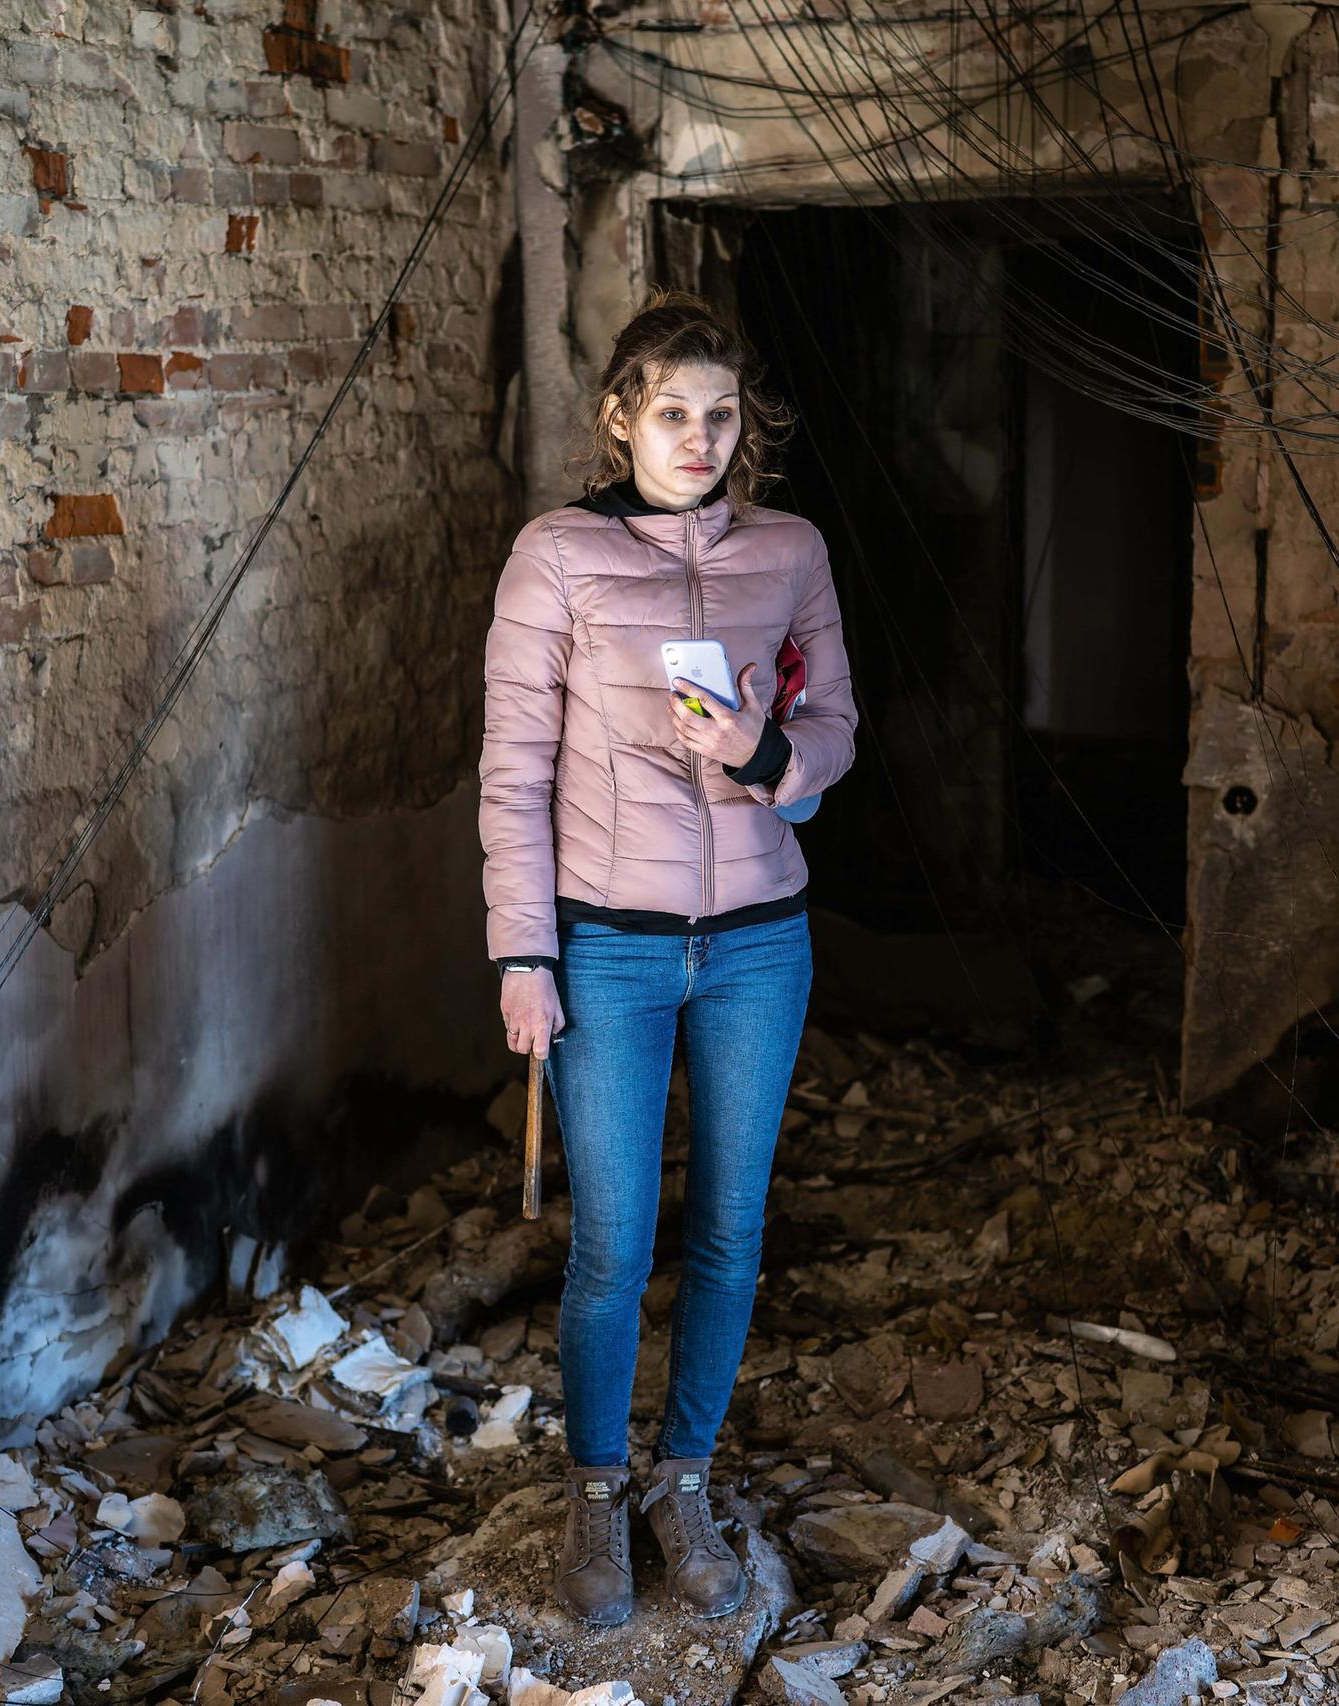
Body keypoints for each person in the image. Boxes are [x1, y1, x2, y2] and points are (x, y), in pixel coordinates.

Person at [477, 292, 858, 1626]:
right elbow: (514, 769)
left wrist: (765, 755)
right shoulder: (558, 558)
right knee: (611, 1241)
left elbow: (838, 731)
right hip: (608, 949)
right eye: (673, 412)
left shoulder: (790, 550)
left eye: (722, 415)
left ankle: (680, 1482)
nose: (699, 438)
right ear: (622, 417)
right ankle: (596, 1498)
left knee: (733, 1231)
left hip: (761, 941)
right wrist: (524, 950)